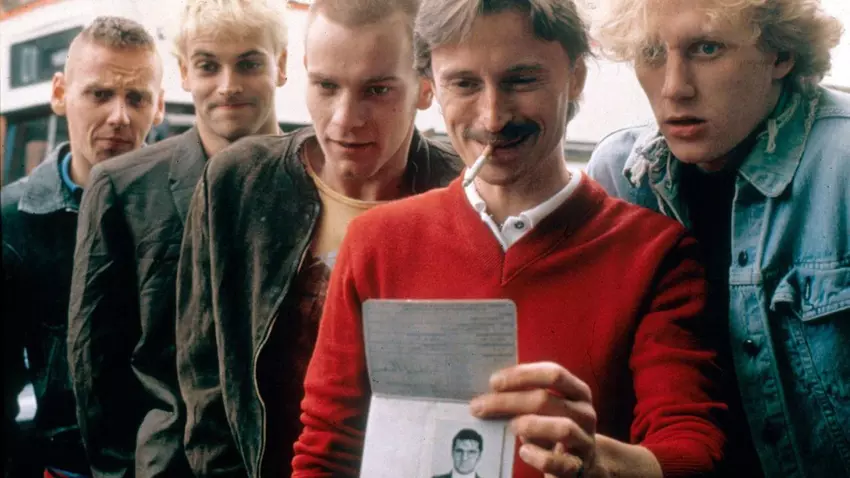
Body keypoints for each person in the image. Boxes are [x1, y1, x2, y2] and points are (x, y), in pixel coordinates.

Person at [292, 0, 728, 477]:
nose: (493, 117)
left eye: (521, 80)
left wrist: (602, 463)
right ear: (431, 85)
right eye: (464, 84)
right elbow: (326, 451)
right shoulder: (374, 243)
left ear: (576, 78)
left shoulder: (656, 254)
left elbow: (692, 448)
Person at [174, 0, 462, 476]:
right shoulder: (238, 182)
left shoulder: (466, 196)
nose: (345, 118)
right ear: (304, 73)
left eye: (377, 90)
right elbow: (204, 382)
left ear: (426, 87)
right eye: (326, 86)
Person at [586, 0, 849, 476]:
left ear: (781, 54)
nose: (674, 87)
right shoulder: (621, 175)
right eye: (652, 53)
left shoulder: (843, 164)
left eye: (706, 49)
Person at [66, 1, 288, 477]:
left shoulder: (317, 178)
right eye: (208, 65)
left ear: (282, 65)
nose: (228, 85)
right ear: (185, 72)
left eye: (249, 64)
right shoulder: (123, 187)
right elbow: (95, 366)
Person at [2, 16, 164, 478]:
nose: (119, 116)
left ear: (158, 107)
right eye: (100, 94)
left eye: (137, 98)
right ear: (59, 93)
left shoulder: (186, 211)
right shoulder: (12, 220)